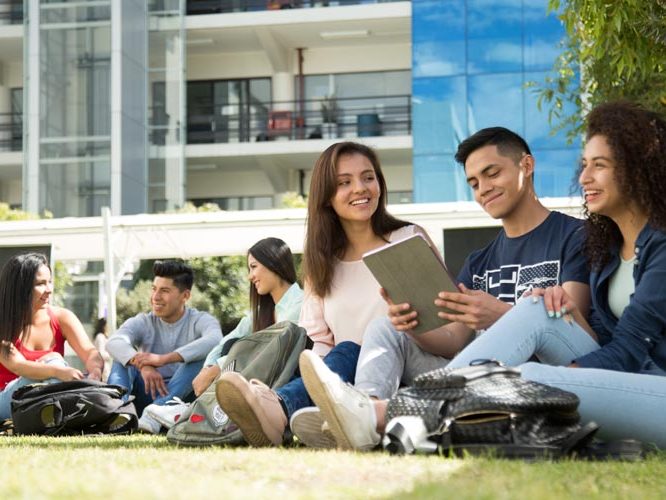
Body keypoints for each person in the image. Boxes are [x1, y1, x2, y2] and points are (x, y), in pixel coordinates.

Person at [297, 127, 592, 450]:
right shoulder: (478, 262)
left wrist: (500, 315)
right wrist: (412, 327)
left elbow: (570, 330)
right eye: (474, 183)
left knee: (531, 312)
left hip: (538, 375)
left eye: (492, 173)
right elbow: (454, 342)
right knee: (384, 326)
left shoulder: (574, 235)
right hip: (476, 375)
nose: (484, 189)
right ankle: (366, 413)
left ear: (527, 166)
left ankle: (379, 415)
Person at [214, 141, 419, 447]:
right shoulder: (321, 265)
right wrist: (319, 382)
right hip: (346, 382)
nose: (360, 188)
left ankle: (278, 409)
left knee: (350, 349)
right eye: (344, 182)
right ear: (326, 196)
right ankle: (311, 415)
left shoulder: (407, 239)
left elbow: (445, 322)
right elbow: (320, 344)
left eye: (368, 177)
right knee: (339, 354)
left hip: (405, 368)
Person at [146, 237, 303, 430]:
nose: (250, 276)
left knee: (243, 348)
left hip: (282, 382)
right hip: (253, 380)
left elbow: (270, 351)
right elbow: (226, 341)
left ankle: (191, 411)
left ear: (273, 263)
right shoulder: (261, 312)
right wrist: (209, 367)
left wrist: (220, 367)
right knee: (231, 344)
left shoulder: (300, 304)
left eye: (254, 267)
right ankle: (191, 410)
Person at [106, 260, 222, 433]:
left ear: (185, 296)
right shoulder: (144, 321)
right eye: (154, 289)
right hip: (148, 392)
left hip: (180, 400)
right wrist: (143, 365)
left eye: (164, 291)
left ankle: (156, 414)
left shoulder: (200, 320)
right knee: (122, 361)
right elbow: (114, 342)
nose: (156, 297)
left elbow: (215, 340)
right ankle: (116, 413)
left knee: (202, 360)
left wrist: (163, 359)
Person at [0, 253, 104, 420]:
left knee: (57, 377)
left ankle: (59, 415)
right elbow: (18, 366)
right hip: (8, 402)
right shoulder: (3, 323)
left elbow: (89, 352)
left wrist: (95, 372)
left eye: (49, 282)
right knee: (54, 360)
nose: (49, 289)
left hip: (45, 397)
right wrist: (57, 370)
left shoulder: (62, 318)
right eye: (40, 284)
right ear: (20, 288)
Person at [93, 317, 112, 382]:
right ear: (103, 326)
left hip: (105, 366)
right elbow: (101, 353)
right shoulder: (100, 336)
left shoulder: (102, 336)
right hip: (102, 367)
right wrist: (110, 354)